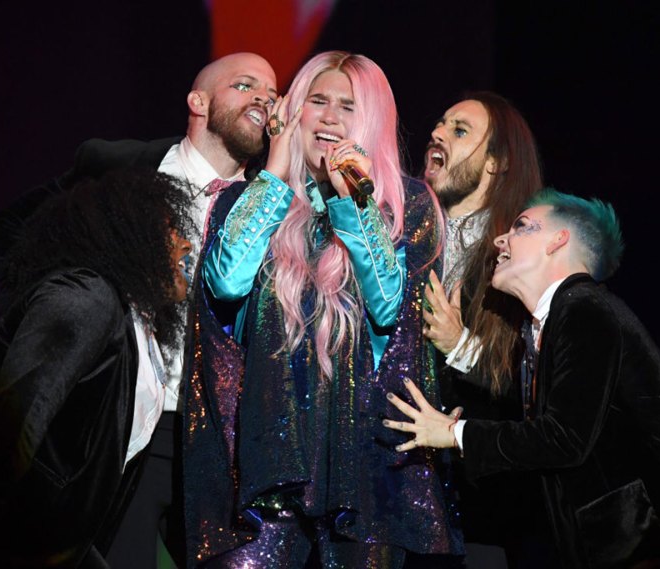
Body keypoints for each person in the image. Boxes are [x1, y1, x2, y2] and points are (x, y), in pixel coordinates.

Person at [0, 51, 278, 567]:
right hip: (127, 421)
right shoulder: (117, 165)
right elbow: (13, 232)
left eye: (272, 95)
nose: (263, 99)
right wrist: (77, 308)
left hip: (220, 440)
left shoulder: (273, 202)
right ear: (198, 101)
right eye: (245, 85)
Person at [189, 50, 463, 567]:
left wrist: (352, 202)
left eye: (348, 106)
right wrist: (274, 178)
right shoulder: (248, 199)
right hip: (266, 464)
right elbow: (225, 284)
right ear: (294, 111)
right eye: (318, 101)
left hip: (364, 468)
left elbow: (389, 306)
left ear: (372, 120)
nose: (331, 117)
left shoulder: (407, 206)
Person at [384, 188, 660, 567]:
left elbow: (565, 437)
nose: (500, 240)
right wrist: (460, 346)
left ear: (557, 241)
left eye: (521, 226)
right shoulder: (552, 323)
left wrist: (454, 433)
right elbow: (526, 400)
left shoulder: (585, 310)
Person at [0, 169, 194, 567]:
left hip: (40, 534)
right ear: (131, 235)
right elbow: (19, 409)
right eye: (171, 229)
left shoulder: (134, 320)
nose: (185, 243)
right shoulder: (86, 297)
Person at [420, 92, 546, 567]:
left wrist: (460, 345)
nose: (437, 134)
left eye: (459, 130)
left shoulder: (519, 258)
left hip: (478, 510)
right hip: (394, 498)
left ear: (496, 163)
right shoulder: (403, 234)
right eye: (440, 124)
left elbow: (534, 389)